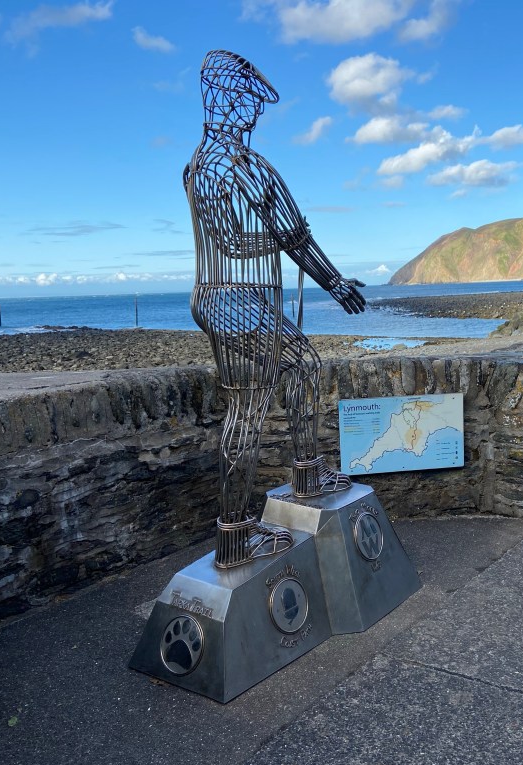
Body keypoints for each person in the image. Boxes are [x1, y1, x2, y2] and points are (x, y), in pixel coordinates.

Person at [185, 51, 366, 568]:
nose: (254, 112)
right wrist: (330, 278)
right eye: (248, 101)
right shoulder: (238, 167)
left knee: (301, 367)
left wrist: (285, 241)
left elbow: (254, 238)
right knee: (248, 407)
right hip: (234, 299)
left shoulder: (199, 165)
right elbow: (272, 238)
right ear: (222, 97)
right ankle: (235, 533)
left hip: (219, 297)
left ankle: (306, 476)